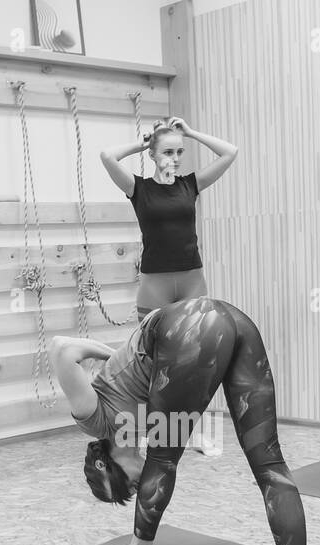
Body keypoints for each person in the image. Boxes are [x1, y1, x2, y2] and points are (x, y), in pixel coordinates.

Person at [48, 296, 319, 545]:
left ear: (104, 463)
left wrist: (118, 355)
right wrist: (126, 357)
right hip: (232, 320)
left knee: (162, 460)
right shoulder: (141, 425)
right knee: (270, 464)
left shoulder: (95, 421)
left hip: (186, 326)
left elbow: (62, 348)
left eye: (128, 486)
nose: (135, 488)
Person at [100, 116, 239, 457]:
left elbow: (230, 152)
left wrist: (190, 132)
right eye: (167, 152)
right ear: (152, 154)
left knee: (194, 364)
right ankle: (156, 432)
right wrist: (143, 142)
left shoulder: (190, 185)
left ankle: (192, 433)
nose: (175, 159)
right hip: (155, 285)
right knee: (155, 364)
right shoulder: (138, 189)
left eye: (180, 152)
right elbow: (107, 156)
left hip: (192, 281)